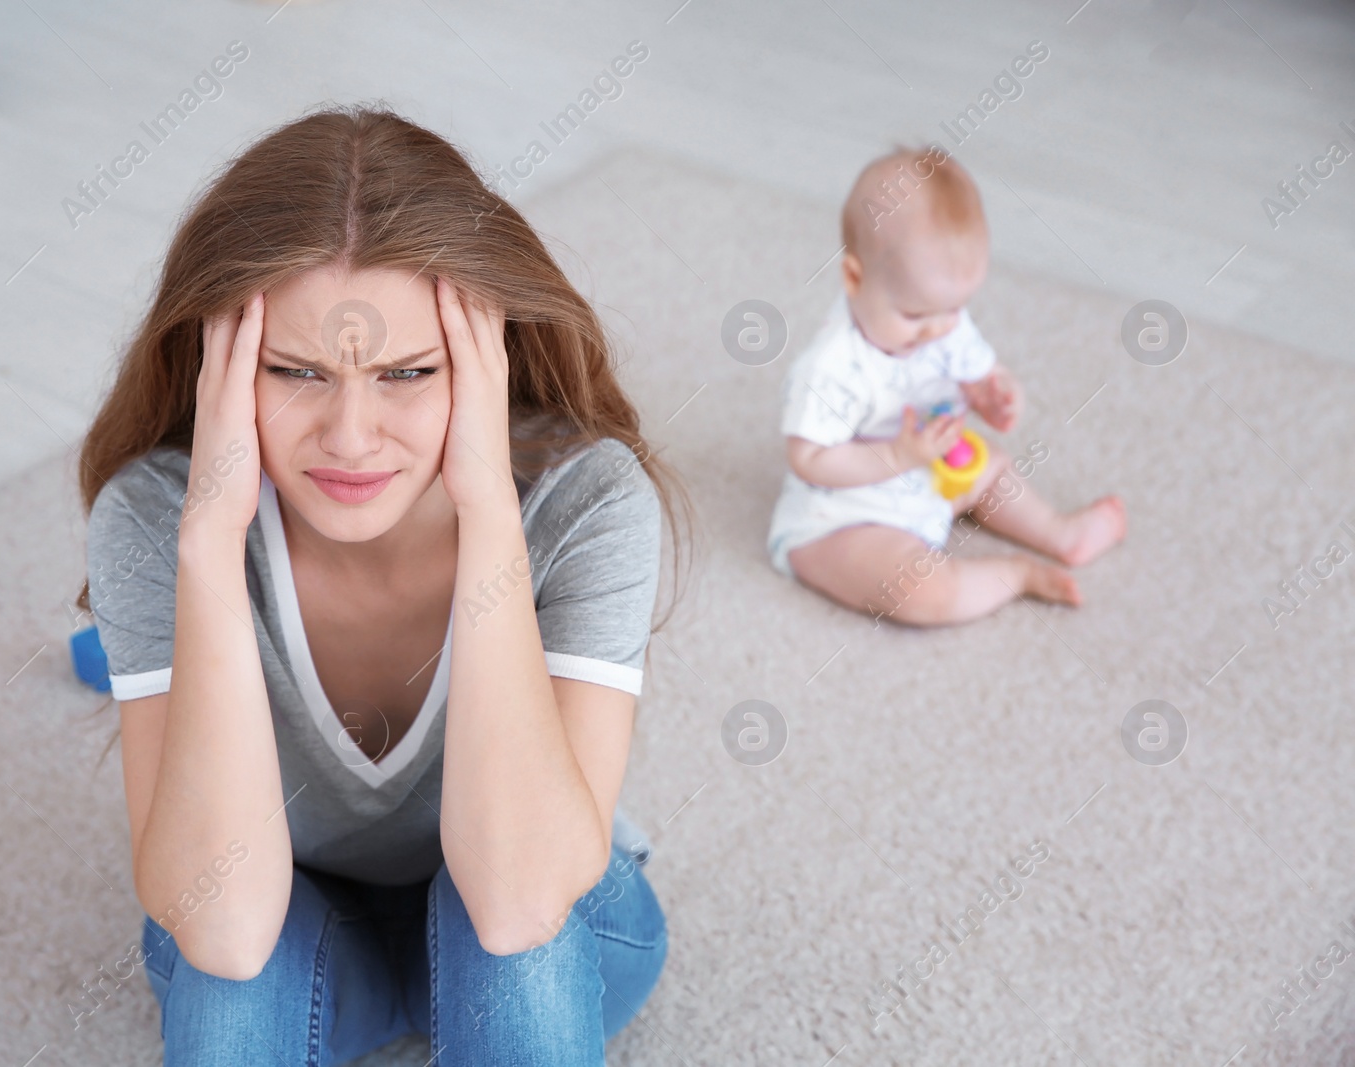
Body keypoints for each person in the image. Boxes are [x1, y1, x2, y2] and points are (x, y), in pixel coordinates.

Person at [74, 104, 694, 1065]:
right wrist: (207, 551)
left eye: (408, 371)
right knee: (229, 989)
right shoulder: (156, 517)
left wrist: (490, 513)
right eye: (295, 370)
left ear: (485, 361)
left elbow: (524, 901)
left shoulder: (588, 499)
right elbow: (230, 931)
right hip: (295, 918)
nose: (353, 437)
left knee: (511, 949)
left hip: (548, 926)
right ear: (219, 369)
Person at [767, 145, 1126, 625]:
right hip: (842, 519)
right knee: (914, 591)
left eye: (954, 309)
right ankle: (1013, 576)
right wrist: (896, 457)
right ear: (854, 277)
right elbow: (809, 460)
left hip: (930, 478)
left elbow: (979, 375)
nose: (939, 329)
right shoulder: (833, 366)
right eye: (916, 315)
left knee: (994, 467)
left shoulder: (943, 322)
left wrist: (995, 396)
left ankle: (1059, 532)